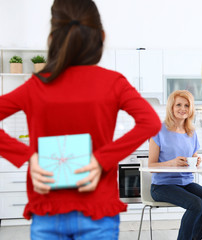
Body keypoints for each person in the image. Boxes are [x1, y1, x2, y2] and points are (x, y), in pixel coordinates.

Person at [0, 0, 161, 239]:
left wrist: (28, 157)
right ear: (102, 36)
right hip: (97, 211)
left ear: (52, 38)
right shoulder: (113, 83)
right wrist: (101, 160)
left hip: (48, 210)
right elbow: (151, 122)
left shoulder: (36, 86)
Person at [149, 90, 202, 240]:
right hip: (162, 186)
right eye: (179, 105)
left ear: (191, 109)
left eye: (187, 105)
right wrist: (172, 163)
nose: (183, 108)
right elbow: (151, 165)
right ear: (171, 107)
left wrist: (196, 159)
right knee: (196, 204)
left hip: (186, 182)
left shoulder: (191, 132)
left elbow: (192, 155)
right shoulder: (158, 130)